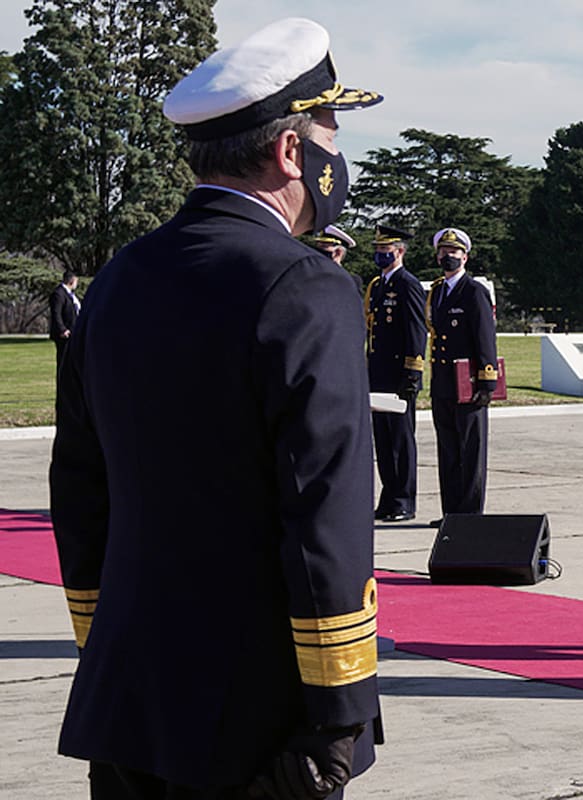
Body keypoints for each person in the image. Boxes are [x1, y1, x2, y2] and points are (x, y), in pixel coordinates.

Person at [49, 18, 384, 799]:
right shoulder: (304, 285)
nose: (341, 157)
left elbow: (80, 486)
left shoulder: (120, 279)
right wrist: (340, 711)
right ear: (292, 151)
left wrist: (107, 646)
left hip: (129, 700)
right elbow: (325, 513)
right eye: (332, 131)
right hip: (258, 721)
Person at [426, 227, 498, 527]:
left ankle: (469, 515)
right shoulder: (438, 291)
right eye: (443, 252)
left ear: (465, 257)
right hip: (444, 383)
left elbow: (485, 338)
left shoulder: (474, 291)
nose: (448, 257)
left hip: (469, 385)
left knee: (470, 452)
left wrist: (487, 382)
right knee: (448, 450)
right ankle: (451, 513)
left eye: (453, 252)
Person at [365, 224, 427, 522]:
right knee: (384, 439)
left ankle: (404, 499)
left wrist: (413, 371)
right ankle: (389, 497)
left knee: (401, 440)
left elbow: (416, 329)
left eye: (385, 250)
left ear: (399, 252)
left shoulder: (407, 284)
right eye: (377, 250)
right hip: (378, 373)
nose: (380, 254)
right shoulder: (378, 286)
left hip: (399, 374)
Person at [49, 269, 81, 371]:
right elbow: (56, 313)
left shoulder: (71, 295)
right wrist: (62, 329)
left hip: (73, 333)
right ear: (72, 281)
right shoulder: (59, 294)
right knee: (63, 363)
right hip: (64, 335)